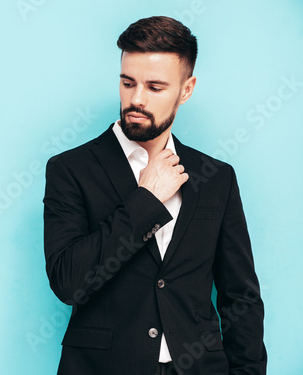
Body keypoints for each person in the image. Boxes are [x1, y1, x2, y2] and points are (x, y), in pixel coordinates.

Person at [42, 16, 267, 375]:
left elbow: (241, 296)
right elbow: (69, 282)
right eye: (127, 83)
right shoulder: (71, 169)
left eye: (155, 87)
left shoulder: (217, 178)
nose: (136, 99)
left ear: (186, 89)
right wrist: (146, 198)